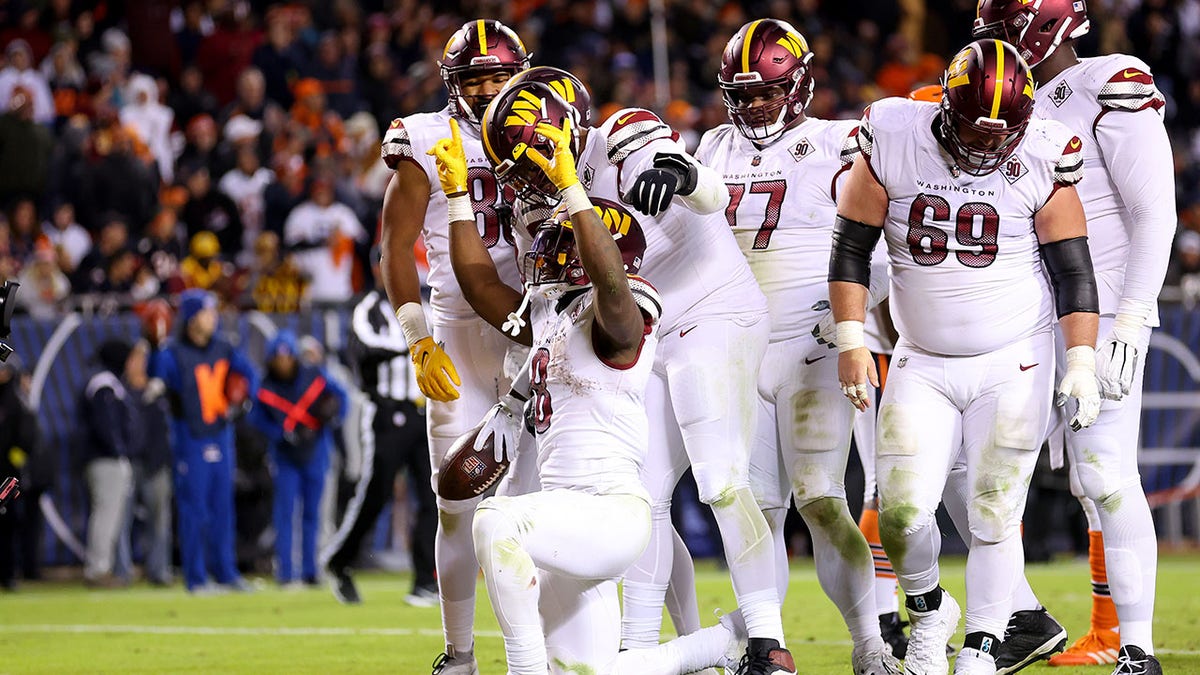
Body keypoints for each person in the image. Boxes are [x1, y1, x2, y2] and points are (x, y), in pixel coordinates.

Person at [431, 98, 744, 675]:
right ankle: (719, 647)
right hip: (568, 523)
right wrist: (455, 201)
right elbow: (482, 291)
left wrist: (574, 190)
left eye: (555, 252)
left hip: (607, 513)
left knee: (495, 519)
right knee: (587, 672)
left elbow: (612, 287)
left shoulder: (622, 315)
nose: (539, 261)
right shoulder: (552, 323)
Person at [828, 40, 1101, 674]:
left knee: (994, 511)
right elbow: (849, 251)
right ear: (946, 104)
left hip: (1014, 358)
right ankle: (929, 613)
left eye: (1000, 131)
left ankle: (979, 650)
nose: (985, 145)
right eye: (974, 127)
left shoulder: (1042, 150)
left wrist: (1082, 359)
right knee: (898, 514)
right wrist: (849, 340)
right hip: (920, 356)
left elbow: (1073, 269)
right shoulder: (895, 132)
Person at [972, 3, 1176, 673]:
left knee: (1106, 473)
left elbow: (1155, 216)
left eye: (1003, 29)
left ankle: (1136, 647)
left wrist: (1130, 319)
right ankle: (1028, 618)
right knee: (980, 470)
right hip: (1032, 311)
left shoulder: (1109, 82)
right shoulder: (1011, 102)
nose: (995, 45)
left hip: (1104, 303)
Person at [696, 19, 897, 674]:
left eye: (768, 92)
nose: (755, 106)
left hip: (813, 335)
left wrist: (864, 326)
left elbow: (873, 240)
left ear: (801, 85)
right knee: (756, 503)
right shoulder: (711, 147)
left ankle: (870, 640)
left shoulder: (839, 141)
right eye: (744, 94)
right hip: (741, 345)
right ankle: (768, 643)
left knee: (819, 494)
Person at [377, 20, 530, 673]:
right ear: (452, 83)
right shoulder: (424, 134)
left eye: (498, 75)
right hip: (461, 328)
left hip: (534, 325)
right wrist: (416, 339)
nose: (489, 87)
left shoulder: (549, 123)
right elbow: (394, 246)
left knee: (538, 501)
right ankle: (461, 653)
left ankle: (547, 648)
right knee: (456, 502)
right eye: (475, 78)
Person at [321, 263, 435, 607]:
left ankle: (425, 580)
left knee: (433, 497)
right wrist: (415, 345)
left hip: (424, 412)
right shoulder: (370, 309)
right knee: (376, 494)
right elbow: (365, 347)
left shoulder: (426, 304)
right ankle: (339, 561)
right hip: (386, 412)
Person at [151, 288, 259, 593]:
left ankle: (226, 572)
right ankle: (196, 577)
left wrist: (241, 401)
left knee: (223, 508)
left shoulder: (223, 347)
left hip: (221, 434)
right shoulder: (172, 353)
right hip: (191, 437)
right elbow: (158, 378)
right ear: (191, 318)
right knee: (193, 510)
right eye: (207, 312)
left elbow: (250, 376)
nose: (213, 317)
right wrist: (153, 347)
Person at [249, 330, 347, 587]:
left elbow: (341, 398)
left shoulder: (313, 375)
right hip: (285, 457)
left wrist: (332, 415)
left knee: (313, 514)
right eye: (278, 358)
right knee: (285, 514)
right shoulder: (266, 385)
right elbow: (256, 418)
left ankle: (311, 570)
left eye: (287, 356)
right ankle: (286, 572)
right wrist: (280, 434)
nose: (283, 362)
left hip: (315, 452)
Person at [81, 339, 135, 588]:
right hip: (105, 460)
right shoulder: (105, 385)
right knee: (105, 514)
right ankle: (98, 569)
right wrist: (119, 450)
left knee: (110, 515)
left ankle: (104, 566)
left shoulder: (106, 383)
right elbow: (105, 426)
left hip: (105, 458)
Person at [124, 339, 174, 586]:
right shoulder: (121, 391)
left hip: (156, 462)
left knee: (160, 521)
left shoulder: (159, 391)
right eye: (135, 358)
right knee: (122, 519)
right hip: (130, 461)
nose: (139, 364)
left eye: (143, 359)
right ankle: (121, 571)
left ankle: (159, 571)